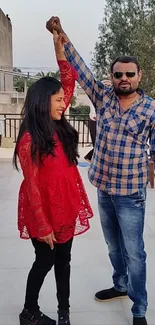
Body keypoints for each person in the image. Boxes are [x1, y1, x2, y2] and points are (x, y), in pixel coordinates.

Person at [46, 16, 155, 325]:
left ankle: (139, 309)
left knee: (135, 252)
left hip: (131, 194)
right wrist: (62, 36)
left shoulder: (150, 109)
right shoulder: (103, 96)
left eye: (129, 74)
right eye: (118, 74)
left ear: (138, 75)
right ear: (112, 76)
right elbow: (80, 70)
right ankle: (120, 285)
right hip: (104, 188)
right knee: (112, 245)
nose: (123, 78)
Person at [13, 30, 93, 325]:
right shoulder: (29, 139)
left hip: (66, 204)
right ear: (43, 101)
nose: (64, 103)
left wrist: (58, 47)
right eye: (58, 100)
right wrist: (43, 223)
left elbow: (68, 80)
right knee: (44, 260)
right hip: (42, 211)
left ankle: (63, 309)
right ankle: (28, 311)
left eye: (63, 99)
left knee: (64, 260)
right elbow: (32, 186)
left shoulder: (58, 124)